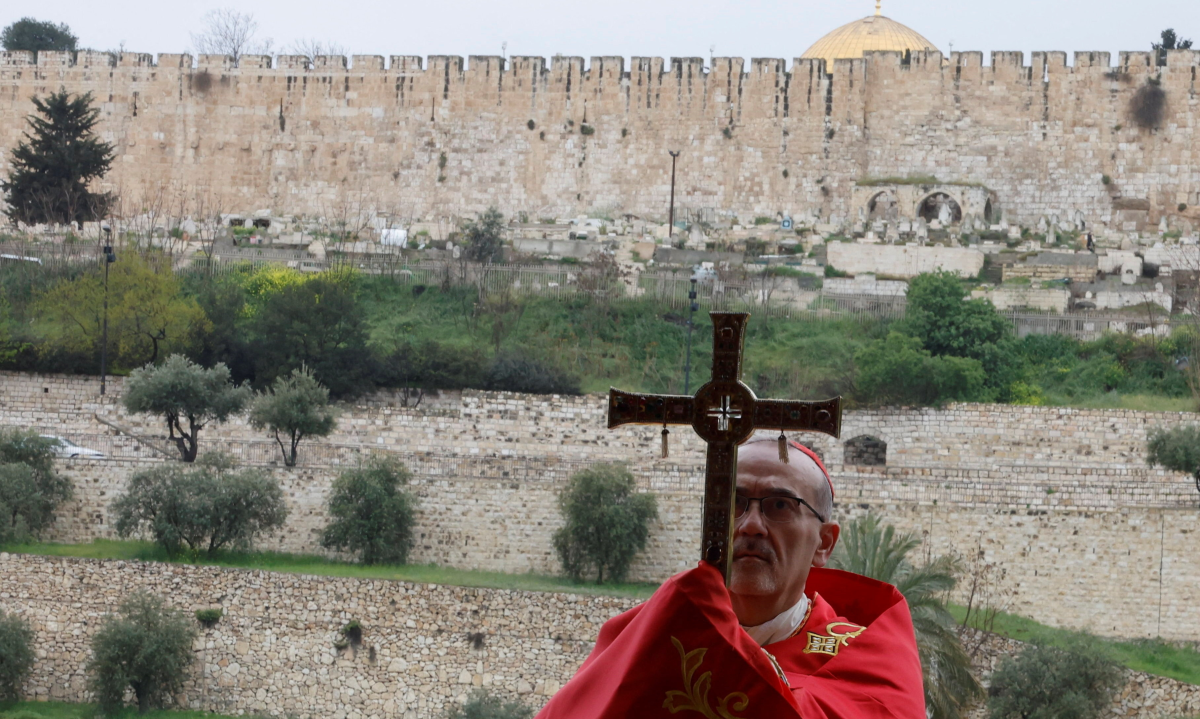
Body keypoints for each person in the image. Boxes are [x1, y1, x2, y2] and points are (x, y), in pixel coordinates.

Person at [536, 437, 925, 719]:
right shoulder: (646, 637)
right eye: (733, 503)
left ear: (824, 542)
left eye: (779, 505)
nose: (750, 525)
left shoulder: (870, 663)